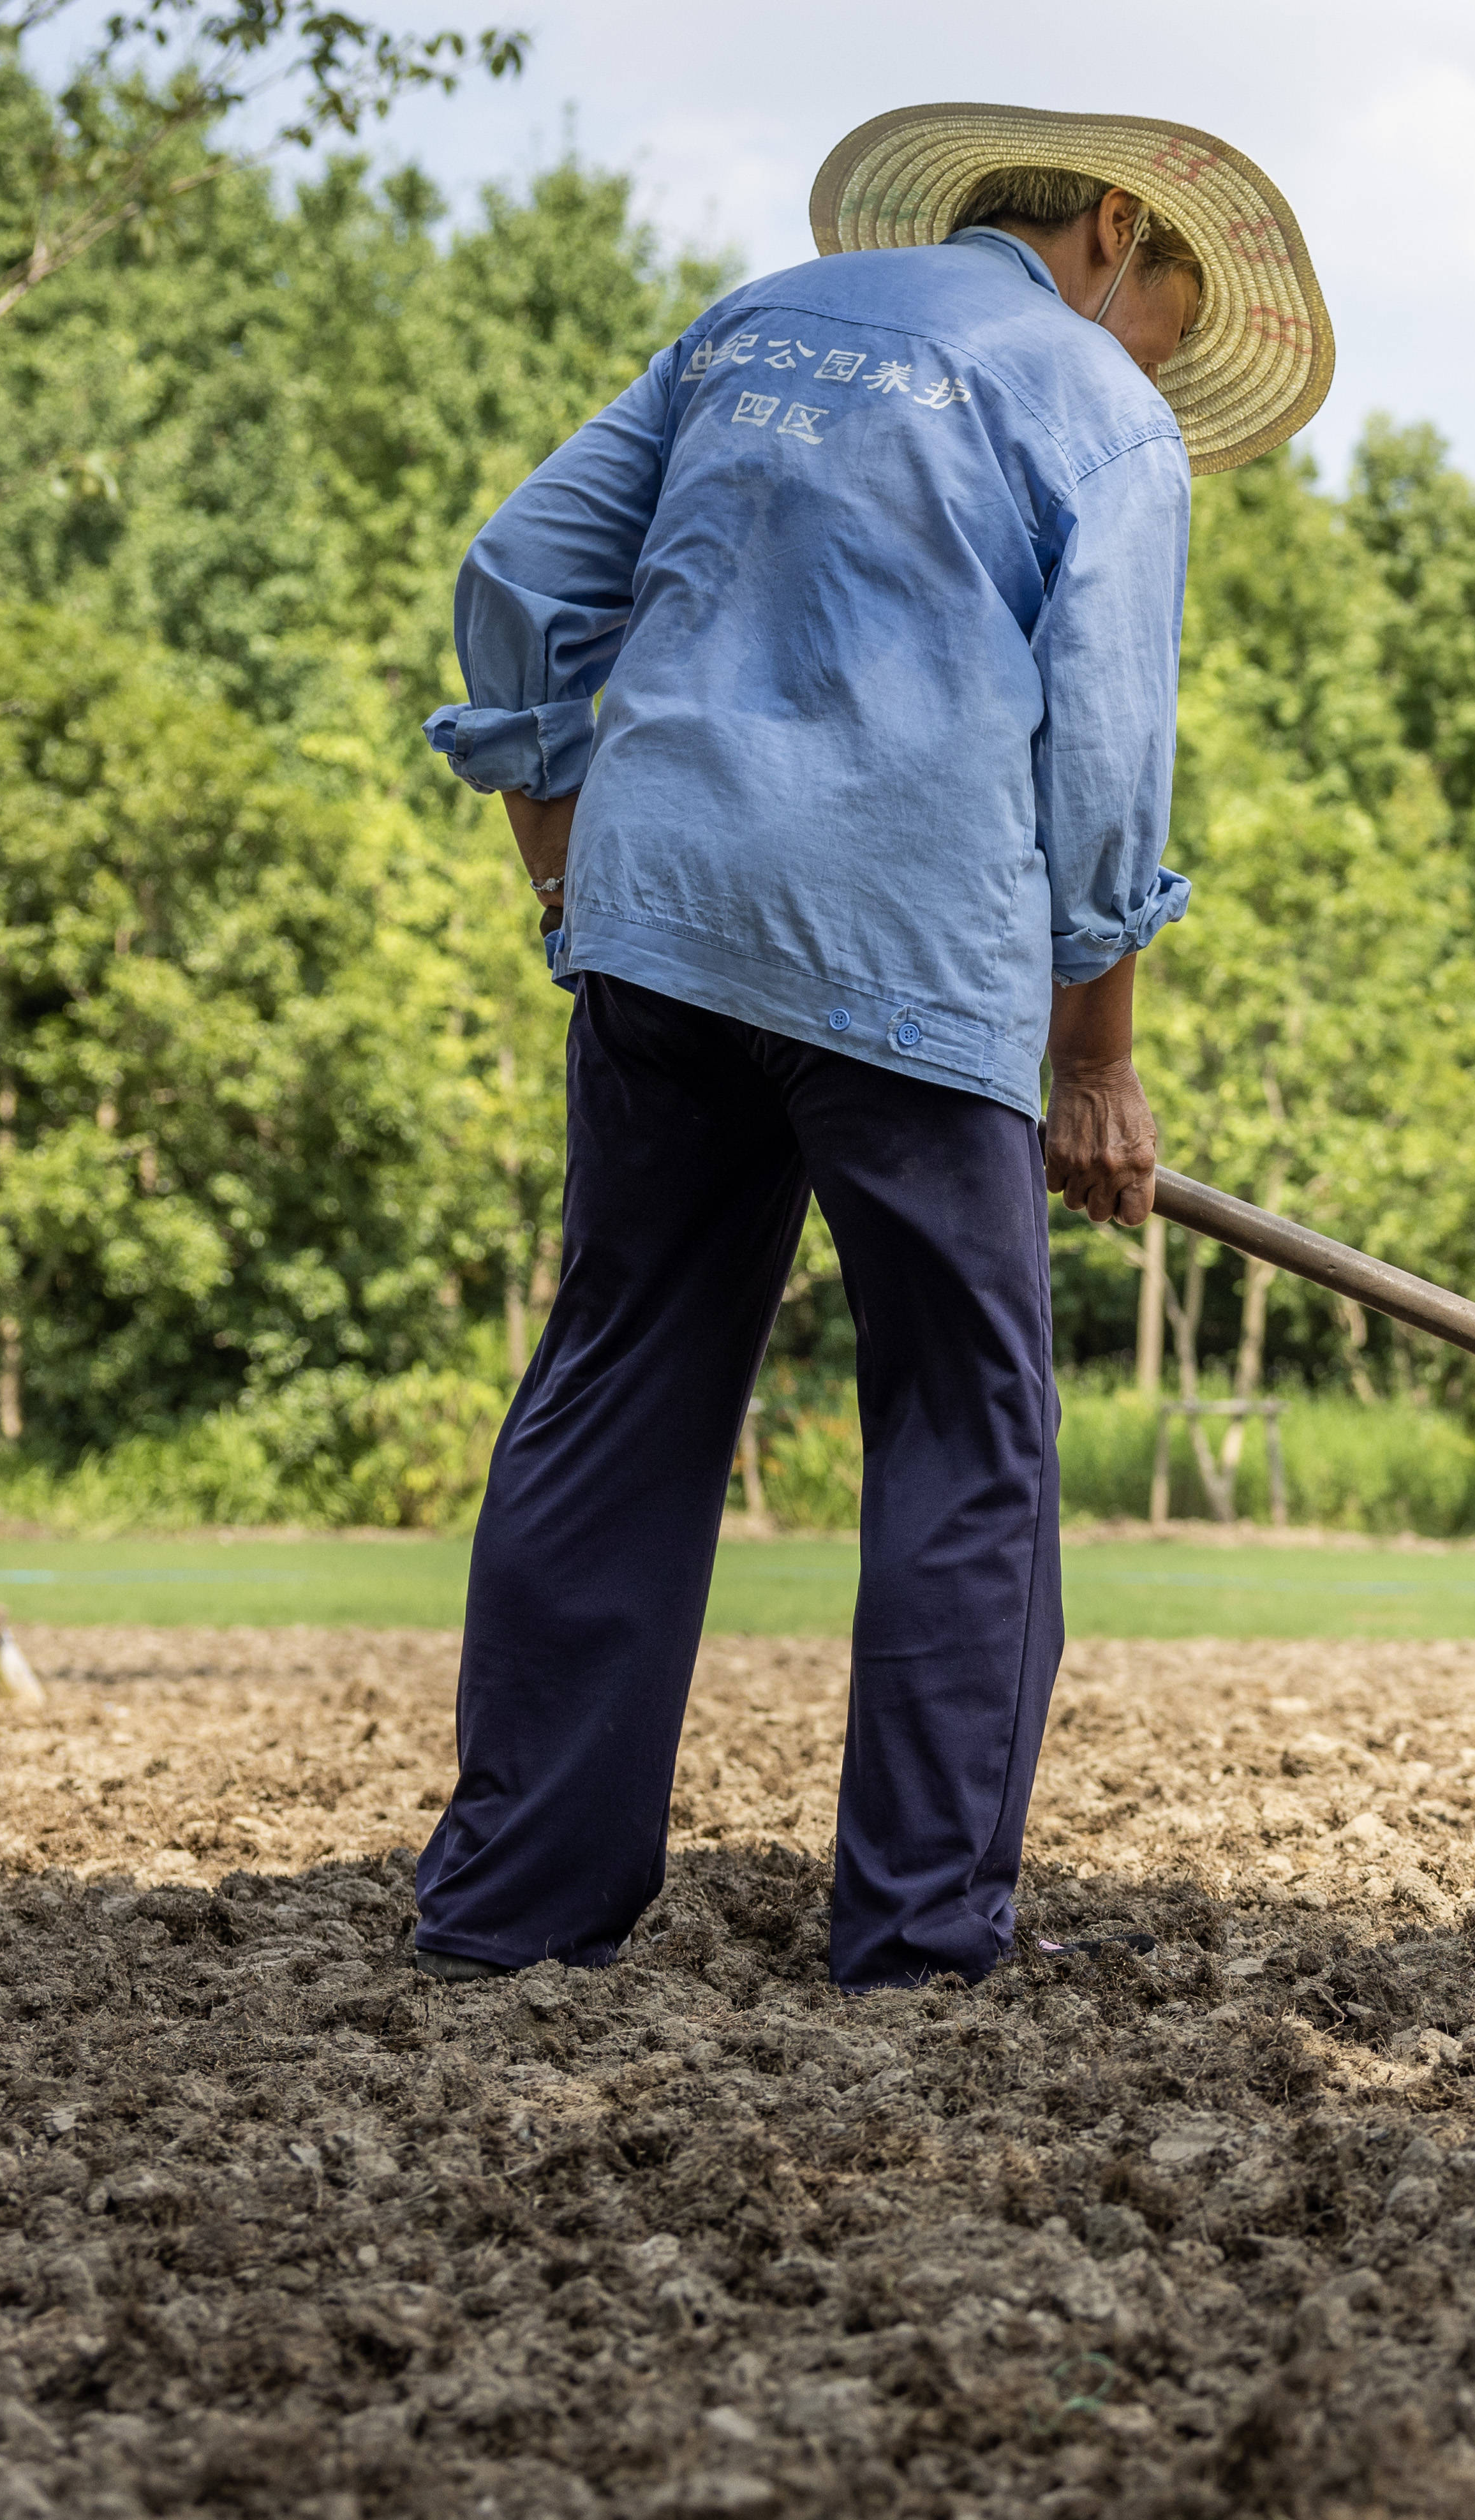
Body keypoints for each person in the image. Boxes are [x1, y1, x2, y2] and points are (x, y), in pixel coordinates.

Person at [413, 102, 1333, 1990]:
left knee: (617, 1383)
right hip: (908, 944)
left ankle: (507, 1910)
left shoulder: (749, 325)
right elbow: (1105, 771)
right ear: (1109, 231)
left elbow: (517, 574)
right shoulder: (1094, 401)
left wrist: (558, 849)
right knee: (964, 1424)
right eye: (1165, 317)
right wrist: (1096, 1062)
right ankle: (915, 1935)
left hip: (657, 920)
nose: (1155, 358)